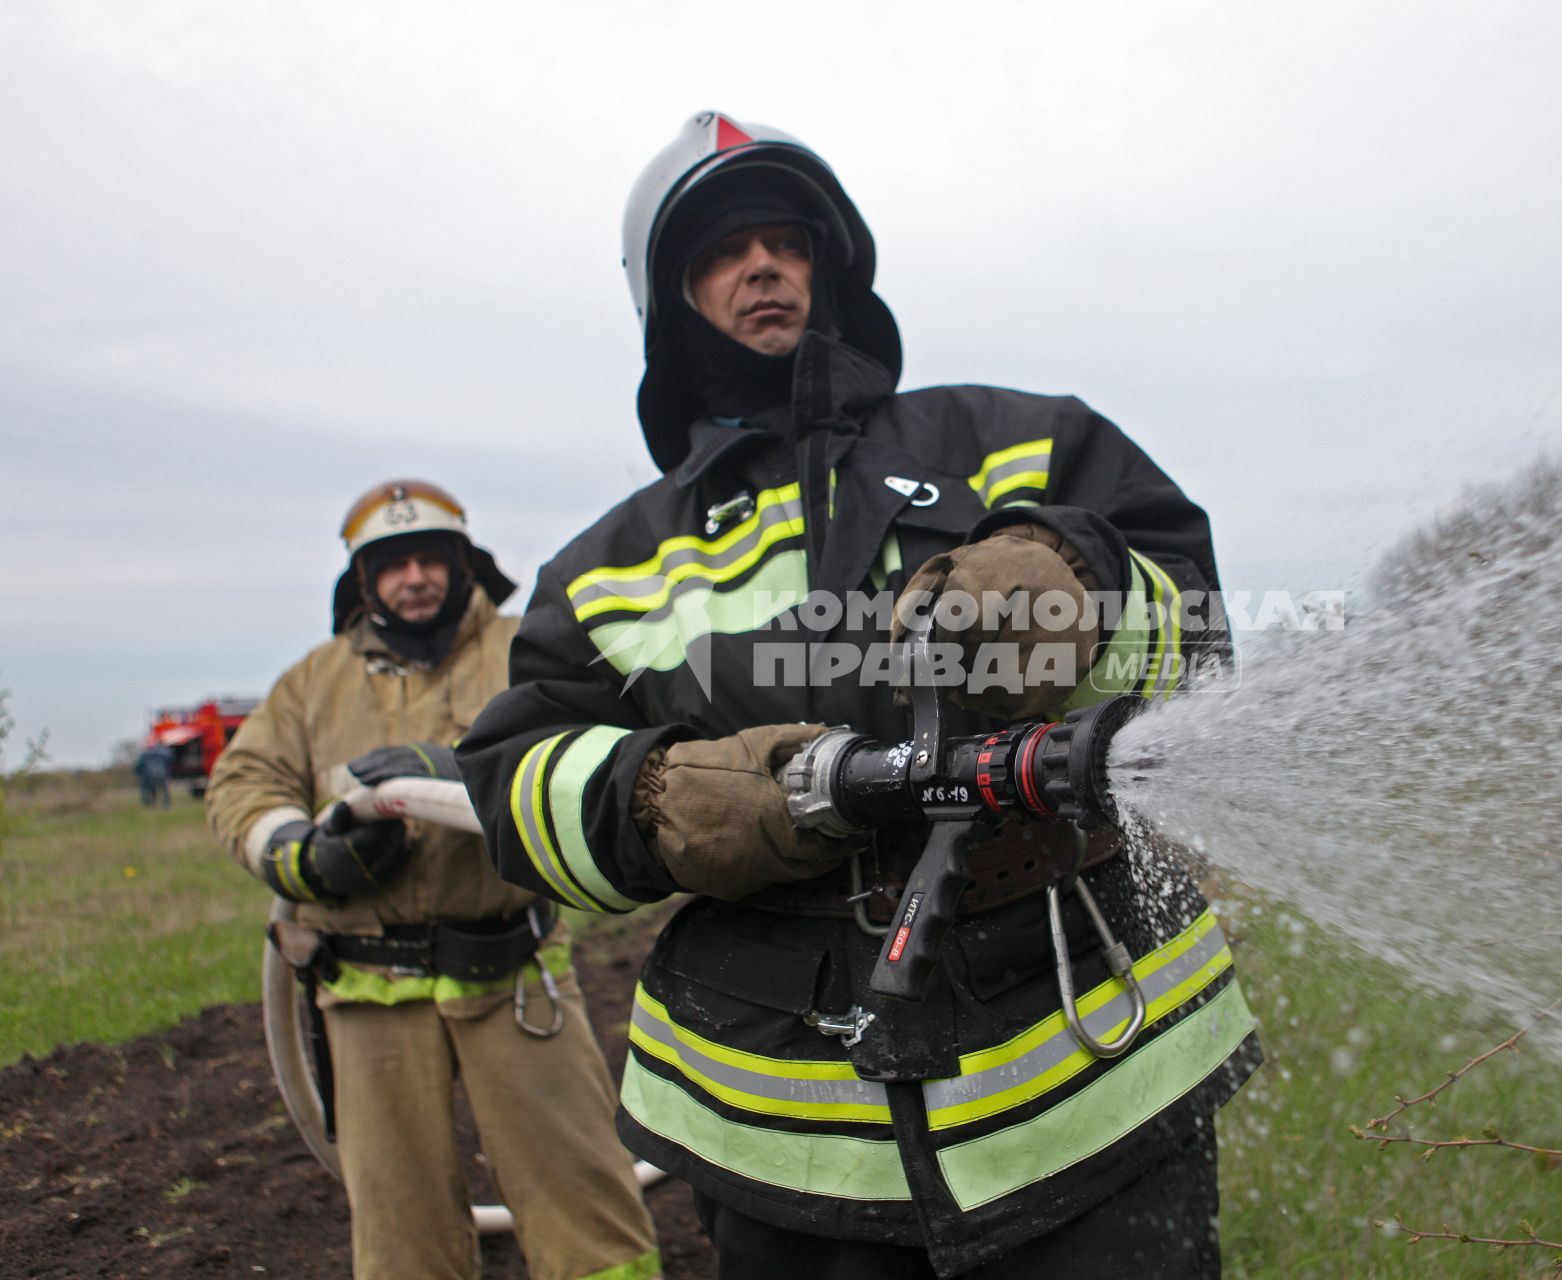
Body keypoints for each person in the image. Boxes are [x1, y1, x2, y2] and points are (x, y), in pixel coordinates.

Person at [459, 113, 1262, 1278]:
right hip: (788, 1141)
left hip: (1095, 1073)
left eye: (788, 239)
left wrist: (1070, 580)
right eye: (723, 250)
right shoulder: (610, 565)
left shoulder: (1015, 445)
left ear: (831, 268)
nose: (764, 264)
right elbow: (513, 782)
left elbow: (1195, 629)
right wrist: (663, 799)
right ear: (673, 299)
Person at [205, 480, 660, 1280]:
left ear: (462, 564)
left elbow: (607, 743)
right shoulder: (312, 684)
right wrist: (302, 856)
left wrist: (467, 771)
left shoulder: (529, 650)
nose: (413, 577)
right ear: (363, 580)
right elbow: (243, 784)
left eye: (429, 558)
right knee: (398, 1229)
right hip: (365, 987)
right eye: (391, 564)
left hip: (514, 977)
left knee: (585, 1203)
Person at [135, 743, 172, 808]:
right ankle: (165, 803)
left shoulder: (145, 755)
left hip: (152, 775)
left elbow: (138, 766)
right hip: (161, 774)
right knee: (164, 790)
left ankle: (152, 803)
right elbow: (170, 760)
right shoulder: (161, 754)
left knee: (152, 790)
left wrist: (139, 774)